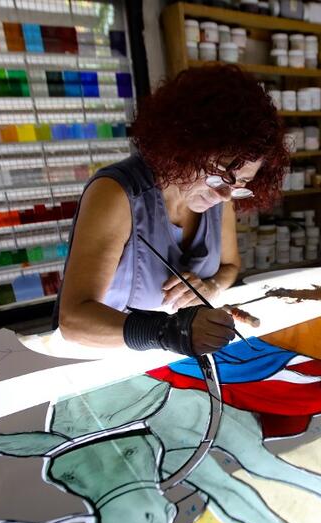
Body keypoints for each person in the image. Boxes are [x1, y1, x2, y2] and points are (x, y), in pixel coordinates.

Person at [54, 65, 288, 356]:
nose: (227, 193)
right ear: (183, 148)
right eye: (220, 175)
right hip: (101, 354)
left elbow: (230, 267)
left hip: (166, 357)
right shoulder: (116, 194)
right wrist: (169, 331)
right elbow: (73, 320)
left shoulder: (220, 198)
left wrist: (210, 287)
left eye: (242, 182)